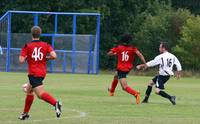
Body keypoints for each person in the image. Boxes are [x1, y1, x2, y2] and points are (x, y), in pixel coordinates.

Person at [18, 26, 62, 120]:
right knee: (29, 91)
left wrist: (26, 58)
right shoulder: (46, 44)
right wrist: (46, 58)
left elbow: (21, 60)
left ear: (31, 34)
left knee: (40, 94)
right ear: (40, 34)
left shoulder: (27, 45)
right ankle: (25, 113)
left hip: (34, 73)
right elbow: (54, 56)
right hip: (42, 72)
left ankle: (56, 103)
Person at [107, 34, 146, 104]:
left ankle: (136, 94)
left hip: (122, 69)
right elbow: (139, 54)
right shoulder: (133, 48)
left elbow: (109, 54)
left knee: (124, 87)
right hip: (127, 68)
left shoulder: (118, 47)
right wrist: (145, 63)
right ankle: (112, 91)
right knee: (116, 75)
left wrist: (116, 53)